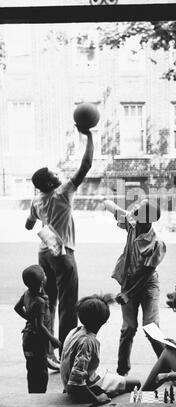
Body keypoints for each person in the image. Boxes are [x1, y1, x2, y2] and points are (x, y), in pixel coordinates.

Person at [25, 126, 94, 371]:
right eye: (53, 174)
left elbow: (28, 225)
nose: (57, 175)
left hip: (43, 253)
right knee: (68, 305)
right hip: (62, 255)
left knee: (49, 302)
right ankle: (66, 352)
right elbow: (86, 166)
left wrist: (43, 219)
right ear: (49, 182)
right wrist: (89, 136)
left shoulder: (37, 200)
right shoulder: (63, 193)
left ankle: (48, 352)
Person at [97, 196, 166, 376]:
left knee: (151, 328)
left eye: (140, 208)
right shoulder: (132, 223)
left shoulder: (156, 243)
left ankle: (167, 368)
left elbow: (146, 274)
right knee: (128, 328)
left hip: (147, 285)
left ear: (147, 218)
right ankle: (122, 372)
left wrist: (127, 293)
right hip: (128, 281)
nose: (135, 208)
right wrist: (106, 202)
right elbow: (116, 210)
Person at [60, 294, 140, 405]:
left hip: (71, 383)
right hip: (82, 388)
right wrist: (97, 399)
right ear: (104, 320)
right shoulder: (88, 341)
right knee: (136, 383)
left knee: (110, 375)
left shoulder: (75, 331)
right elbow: (76, 382)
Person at [14, 265, 61, 393]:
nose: (46, 276)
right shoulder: (40, 301)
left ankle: (32, 393)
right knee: (41, 371)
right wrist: (53, 339)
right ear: (42, 281)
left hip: (27, 338)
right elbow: (40, 327)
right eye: (44, 275)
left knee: (31, 368)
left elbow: (17, 308)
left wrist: (29, 318)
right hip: (37, 341)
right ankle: (39, 396)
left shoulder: (27, 293)